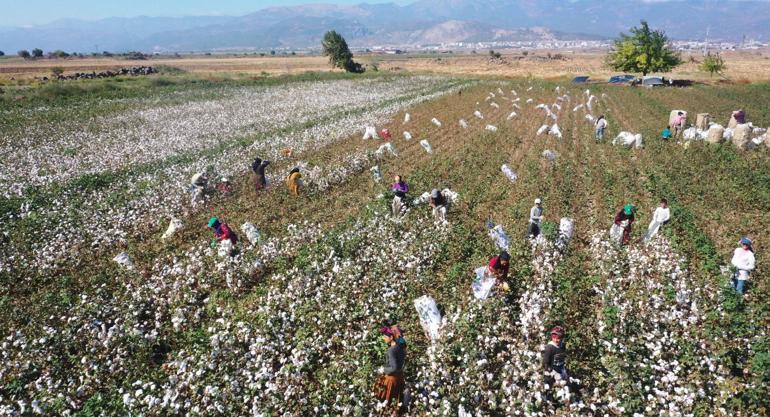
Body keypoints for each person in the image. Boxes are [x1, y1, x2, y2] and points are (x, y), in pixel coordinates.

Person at [374, 326, 406, 408]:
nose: (384, 338)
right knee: (395, 403)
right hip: (399, 378)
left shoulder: (391, 350)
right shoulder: (400, 347)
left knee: (385, 402)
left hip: (391, 380)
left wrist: (383, 370)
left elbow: (393, 368)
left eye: (385, 336)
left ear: (391, 337)